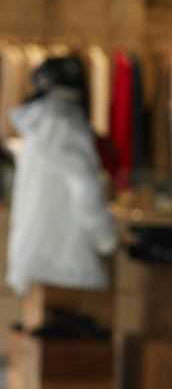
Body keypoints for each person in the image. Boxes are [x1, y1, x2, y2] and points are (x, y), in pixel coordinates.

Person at [6, 56, 117, 295]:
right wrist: (104, 235)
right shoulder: (63, 125)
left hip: (40, 253)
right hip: (65, 259)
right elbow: (85, 186)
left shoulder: (39, 124)